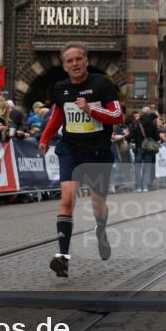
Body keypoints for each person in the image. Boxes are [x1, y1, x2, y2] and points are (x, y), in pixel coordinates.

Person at [39, 41, 124, 277]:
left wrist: (90, 109)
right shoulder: (60, 88)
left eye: (79, 59)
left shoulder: (102, 83)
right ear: (64, 66)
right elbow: (57, 115)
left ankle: (101, 230)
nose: (75, 64)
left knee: (98, 204)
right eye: (69, 60)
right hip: (71, 150)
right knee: (67, 199)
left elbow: (117, 116)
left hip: (98, 151)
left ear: (86, 61)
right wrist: (45, 137)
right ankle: (63, 258)